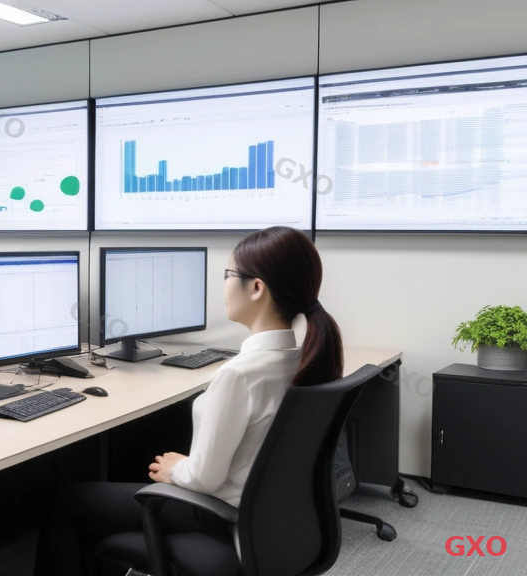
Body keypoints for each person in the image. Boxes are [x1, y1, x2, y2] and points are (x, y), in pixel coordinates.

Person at [33, 226, 343, 576]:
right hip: (269, 524)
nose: (223, 286)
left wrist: (175, 468)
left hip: (218, 516)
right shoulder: (301, 360)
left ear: (257, 288)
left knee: (67, 502)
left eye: (228, 275)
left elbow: (205, 480)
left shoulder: (239, 375)